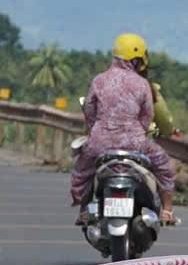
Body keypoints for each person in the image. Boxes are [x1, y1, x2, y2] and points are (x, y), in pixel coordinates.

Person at [71, 33, 178, 225]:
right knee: (165, 166)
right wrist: (137, 133)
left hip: (99, 143)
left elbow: (89, 112)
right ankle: (167, 211)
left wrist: (98, 131)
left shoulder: (99, 80)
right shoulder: (142, 83)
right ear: (137, 58)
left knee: (83, 170)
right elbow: (146, 117)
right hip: (135, 143)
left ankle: (84, 210)